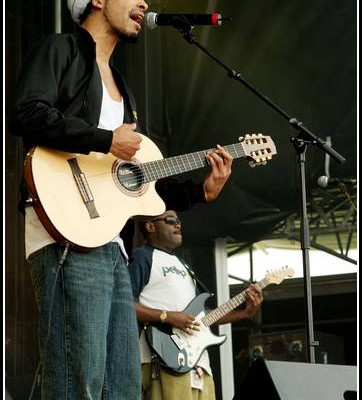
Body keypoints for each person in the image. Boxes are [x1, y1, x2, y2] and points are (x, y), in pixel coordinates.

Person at [9, 1, 233, 399]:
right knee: (78, 382)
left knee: (123, 386)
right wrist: (105, 138)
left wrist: (200, 191)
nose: (144, 3)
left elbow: (137, 185)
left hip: (112, 244)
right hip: (66, 235)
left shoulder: (123, 88)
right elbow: (25, 112)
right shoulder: (61, 49)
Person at [128, 210, 263, 400]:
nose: (178, 225)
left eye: (178, 221)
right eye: (170, 220)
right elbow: (125, 305)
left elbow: (204, 317)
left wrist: (245, 313)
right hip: (164, 357)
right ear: (150, 226)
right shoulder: (143, 256)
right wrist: (167, 316)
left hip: (199, 363)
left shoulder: (184, 265)